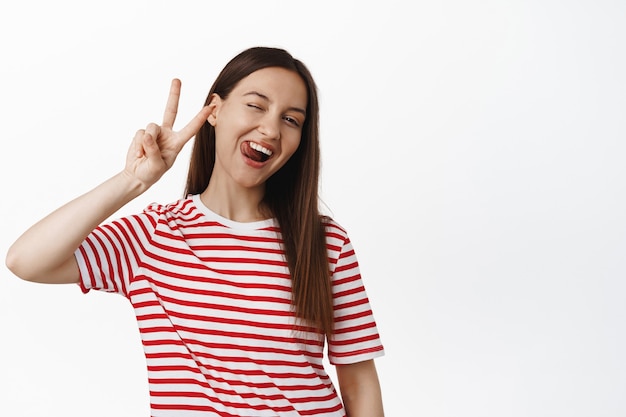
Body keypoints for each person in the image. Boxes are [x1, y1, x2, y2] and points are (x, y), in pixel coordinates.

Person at [6, 46, 385, 416]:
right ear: (215, 111)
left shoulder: (324, 242)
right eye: (256, 105)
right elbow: (26, 261)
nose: (270, 128)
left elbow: (359, 383)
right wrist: (131, 182)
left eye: (291, 119)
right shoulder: (154, 235)